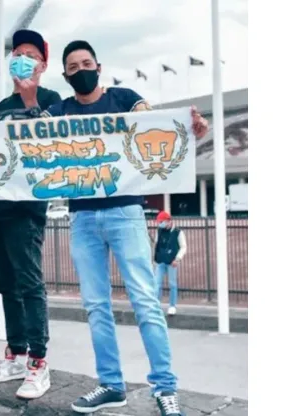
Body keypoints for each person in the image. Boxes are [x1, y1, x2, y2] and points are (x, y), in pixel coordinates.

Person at [40, 40, 209, 416]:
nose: (80, 69)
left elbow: (153, 123)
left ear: (98, 67)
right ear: (65, 75)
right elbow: (28, 141)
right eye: (73, 65)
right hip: (82, 217)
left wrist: (188, 126)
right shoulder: (59, 110)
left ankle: (165, 387)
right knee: (96, 306)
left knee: (146, 302)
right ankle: (111, 384)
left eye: (86, 62)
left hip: (125, 212)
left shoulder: (125, 99)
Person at [0, 29, 61, 400]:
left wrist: (30, 95)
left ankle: (39, 360)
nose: (21, 57)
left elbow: (55, 141)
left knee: (29, 282)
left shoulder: (53, 100)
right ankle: (16, 354)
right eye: (17, 52)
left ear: (42, 63)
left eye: (29, 53)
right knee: (4, 283)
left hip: (28, 208)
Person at [153, 211, 187, 316]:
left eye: (161, 222)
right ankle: (156, 305)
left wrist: (177, 259)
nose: (160, 224)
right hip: (160, 261)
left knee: (172, 284)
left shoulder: (178, 232)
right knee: (157, 284)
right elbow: (156, 243)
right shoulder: (159, 231)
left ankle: (172, 306)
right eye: (159, 222)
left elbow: (183, 247)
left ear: (168, 221)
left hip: (172, 262)